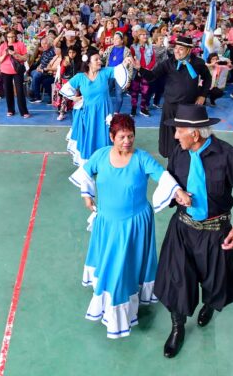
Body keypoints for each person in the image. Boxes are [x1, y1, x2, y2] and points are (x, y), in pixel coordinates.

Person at [154, 104, 233, 358]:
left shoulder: (227, 155)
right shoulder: (178, 154)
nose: (174, 135)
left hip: (216, 232)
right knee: (177, 280)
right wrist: (175, 195)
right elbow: (169, 184)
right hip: (182, 229)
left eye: (178, 130)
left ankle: (209, 306)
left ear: (195, 133)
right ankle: (177, 327)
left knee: (215, 282)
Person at [69, 114, 185, 338]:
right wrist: (87, 196)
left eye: (131, 136)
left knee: (124, 267)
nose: (127, 141)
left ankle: (121, 314)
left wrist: (178, 191)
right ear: (112, 136)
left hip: (135, 223)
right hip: (107, 222)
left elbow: (163, 176)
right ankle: (114, 307)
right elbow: (85, 173)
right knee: (114, 265)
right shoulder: (101, 155)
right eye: (122, 136)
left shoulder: (142, 158)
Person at [60, 48, 133, 165]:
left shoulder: (105, 72)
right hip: (89, 114)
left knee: (104, 136)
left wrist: (125, 62)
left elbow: (118, 70)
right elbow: (65, 88)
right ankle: (89, 162)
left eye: (100, 59)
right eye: (96, 59)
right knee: (91, 136)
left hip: (104, 113)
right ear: (88, 62)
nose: (100, 61)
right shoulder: (80, 77)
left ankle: (104, 162)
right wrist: (74, 97)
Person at [150, 36, 211, 158]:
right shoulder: (169, 63)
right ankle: (172, 159)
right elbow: (152, 75)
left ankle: (186, 157)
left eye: (181, 49)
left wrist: (203, 95)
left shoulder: (198, 63)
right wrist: (138, 68)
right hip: (170, 106)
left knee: (187, 134)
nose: (177, 51)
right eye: (176, 48)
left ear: (188, 50)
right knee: (170, 136)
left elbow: (207, 78)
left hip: (188, 107)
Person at [0, 29, 30, 118]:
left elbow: (25, 58)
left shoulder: (20, 44)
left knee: (20, 91)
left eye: (12, 37)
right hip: (5, 70)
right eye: (8, 37)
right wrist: (5, 54)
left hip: (17, 71)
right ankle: (10, 110)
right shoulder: (3, 46)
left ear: (15, 37)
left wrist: (16, 54)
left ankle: (24, 111)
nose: (10, 39)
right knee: (8, 91)